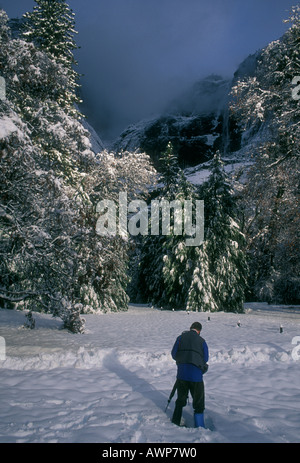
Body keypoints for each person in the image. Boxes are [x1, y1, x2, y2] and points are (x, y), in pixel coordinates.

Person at [171, 321, 209, 428]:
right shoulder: (202, 341)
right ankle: (199, 425)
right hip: (196, 376)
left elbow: (174, 354)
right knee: (198, 402)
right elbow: (205, 358)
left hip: (182, 375)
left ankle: (176, 421)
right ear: (199, 331)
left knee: (180, 400)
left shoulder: (180, 338)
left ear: (190, 328)